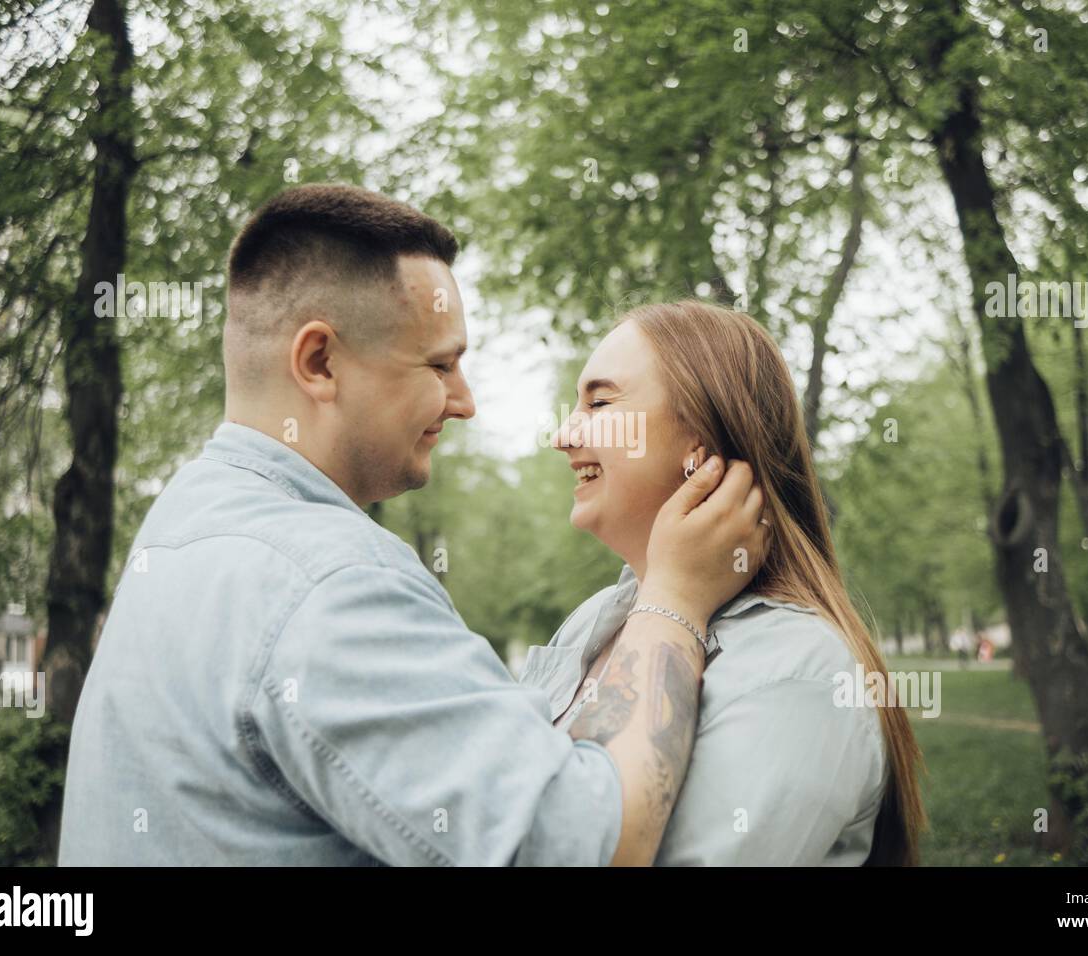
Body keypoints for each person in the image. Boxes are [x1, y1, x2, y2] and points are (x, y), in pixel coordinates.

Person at [58, 185, 768, 866]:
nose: (465, 402)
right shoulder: (329, 581)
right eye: (441, 364)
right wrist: (673, 600)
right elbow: (586, 843)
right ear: (320, 362)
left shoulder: (183, 525)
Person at [519, 300, 927, 864]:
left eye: (600, 402)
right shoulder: (591, 621)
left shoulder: (798, 671)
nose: (563, 436)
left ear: (700, 447)